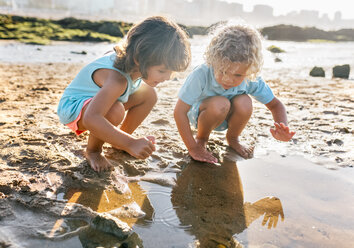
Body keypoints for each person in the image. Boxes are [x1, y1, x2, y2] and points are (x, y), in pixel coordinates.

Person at [57, 16, 191, 172]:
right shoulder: (117, 80)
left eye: (170, 72)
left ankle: (119, 140)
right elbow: (92, 118)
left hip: (95, 102)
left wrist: (126, 141)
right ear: (139, 59)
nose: (167, 77)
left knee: (149, 95)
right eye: (162, 71)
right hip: (74, 108)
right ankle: (93, 151)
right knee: (115, 110)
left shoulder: (132, 64)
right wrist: (131, 143)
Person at [174, 23, 295, 163]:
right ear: (213, 61)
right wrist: (192, 147)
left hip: (229, 116)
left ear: (250, 69)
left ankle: (233, 138)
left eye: (238, 75)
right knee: (220, 103)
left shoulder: (250, 78)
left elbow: (276, 105)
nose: (228, 80)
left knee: (245, 101)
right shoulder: (201, 74)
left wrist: (282, 127)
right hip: (202, 115)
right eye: (223, 71)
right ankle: (202, 139)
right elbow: (179, 112)